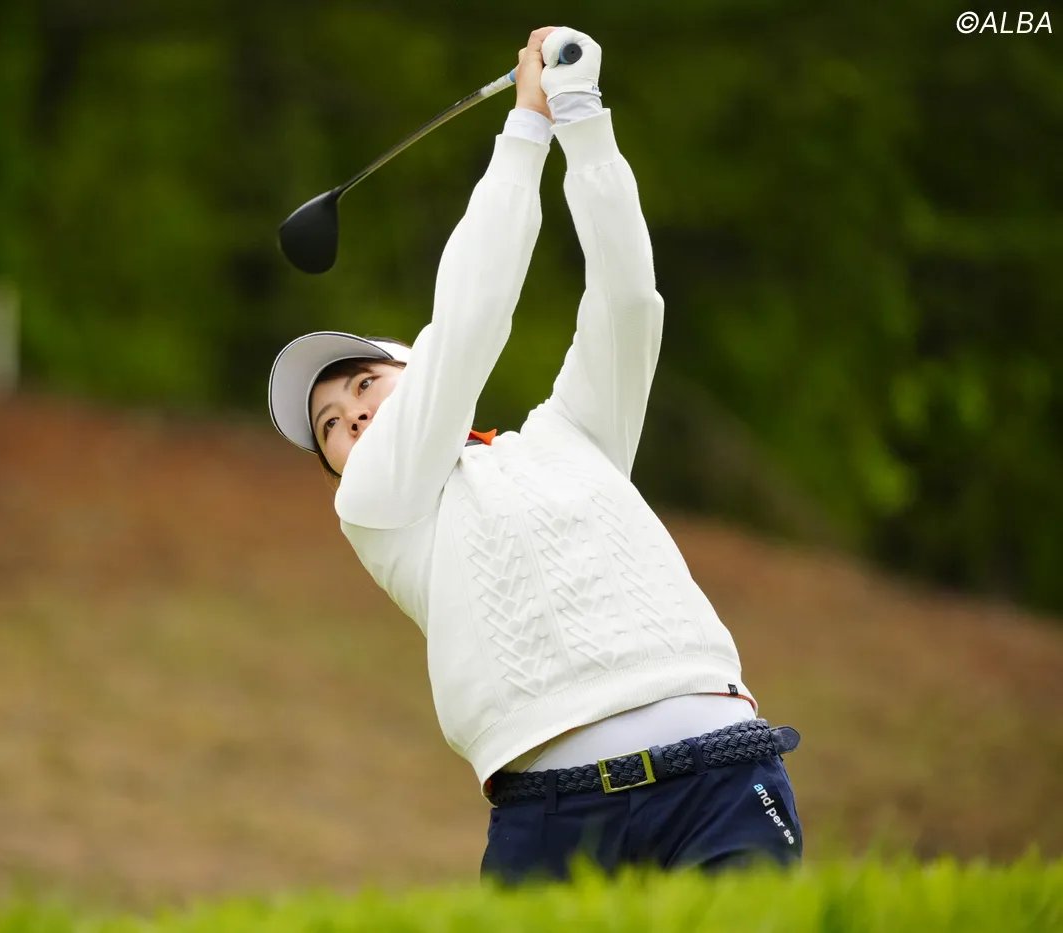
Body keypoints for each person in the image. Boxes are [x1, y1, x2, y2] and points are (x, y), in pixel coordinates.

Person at [266, 26, 804, 883]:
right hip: (554, 817)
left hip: (721, 773)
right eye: (328, 425)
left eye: (364, 383)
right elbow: (468, 325)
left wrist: (580, 116)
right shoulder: (376, 508)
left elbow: (627, 300)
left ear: (410, 368)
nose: (352, 416)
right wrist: (523, 132)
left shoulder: (570, 436)